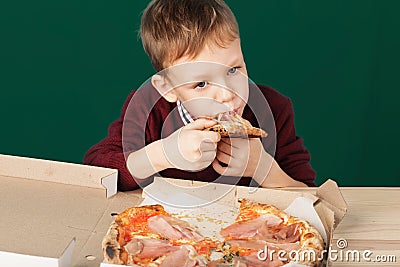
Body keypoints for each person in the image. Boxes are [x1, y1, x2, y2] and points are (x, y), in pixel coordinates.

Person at [84, 0, 316, 191]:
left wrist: (262, 167)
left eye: (233, 70)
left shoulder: (274, 109)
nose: (227, 94)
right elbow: (96, 170)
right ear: (168, 89)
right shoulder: (149, 108)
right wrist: (162, 154)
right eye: (201, 84)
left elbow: (309, 195)